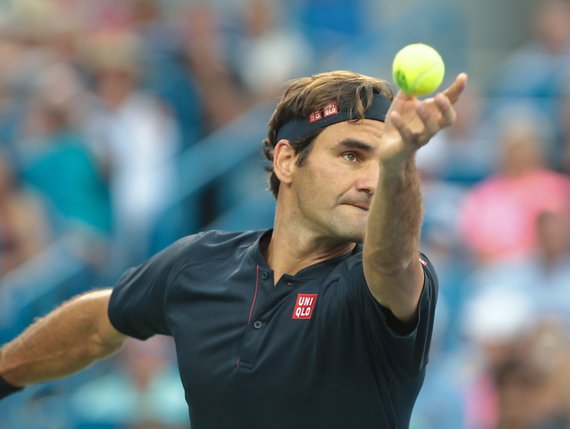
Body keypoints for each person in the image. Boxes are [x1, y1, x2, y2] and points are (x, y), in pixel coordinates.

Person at [0, 69, 467, 429]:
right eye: (351, 156)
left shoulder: (376, 284)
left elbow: (392, 259)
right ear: (287, 160)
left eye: (381, 163)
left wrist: (402, 159)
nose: (371, 181)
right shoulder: (198, 264)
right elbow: (94, 325)